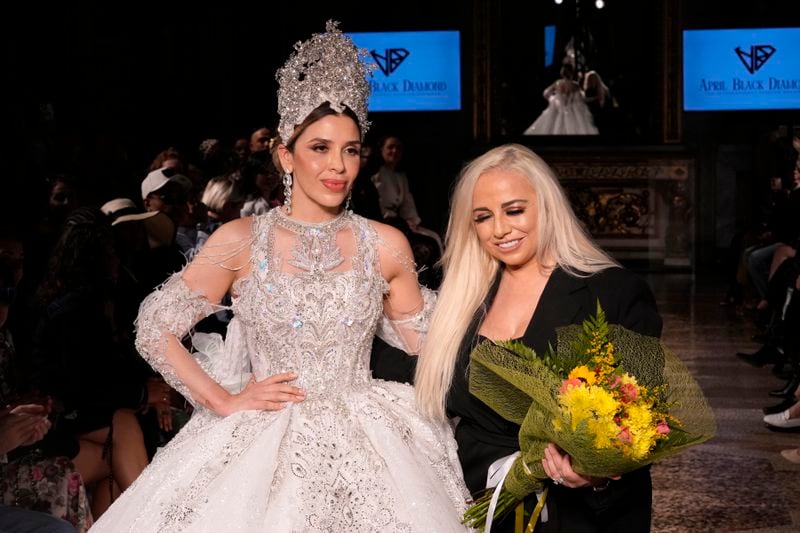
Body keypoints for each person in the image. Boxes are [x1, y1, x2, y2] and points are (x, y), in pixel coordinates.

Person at [90, 21, 469, 532]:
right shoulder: (242, 240)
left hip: (371, 441)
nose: (338, 165)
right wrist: (224, 399)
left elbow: (425, 340)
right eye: (320, 148)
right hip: (263, 440)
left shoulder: (384, 243)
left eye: (352, 149)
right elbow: (154, 326)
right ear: (287, 156)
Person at [415, 143, 662, 532]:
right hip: (477, 498)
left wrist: (596, 471)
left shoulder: (614, 291)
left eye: (514, 210)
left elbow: (645, 413)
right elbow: (406, 364)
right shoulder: (462, 297)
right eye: (483, 217)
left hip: (581, 514)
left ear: (546, 206)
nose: (500, 229)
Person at [523, 63, 599, 136]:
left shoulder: (557, 83)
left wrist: (552, 99)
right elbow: (582, 99)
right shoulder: (575, 85)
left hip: (557, 109)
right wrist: (594, 98)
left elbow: (545, 93)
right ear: (571, 72)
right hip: (572, 112)